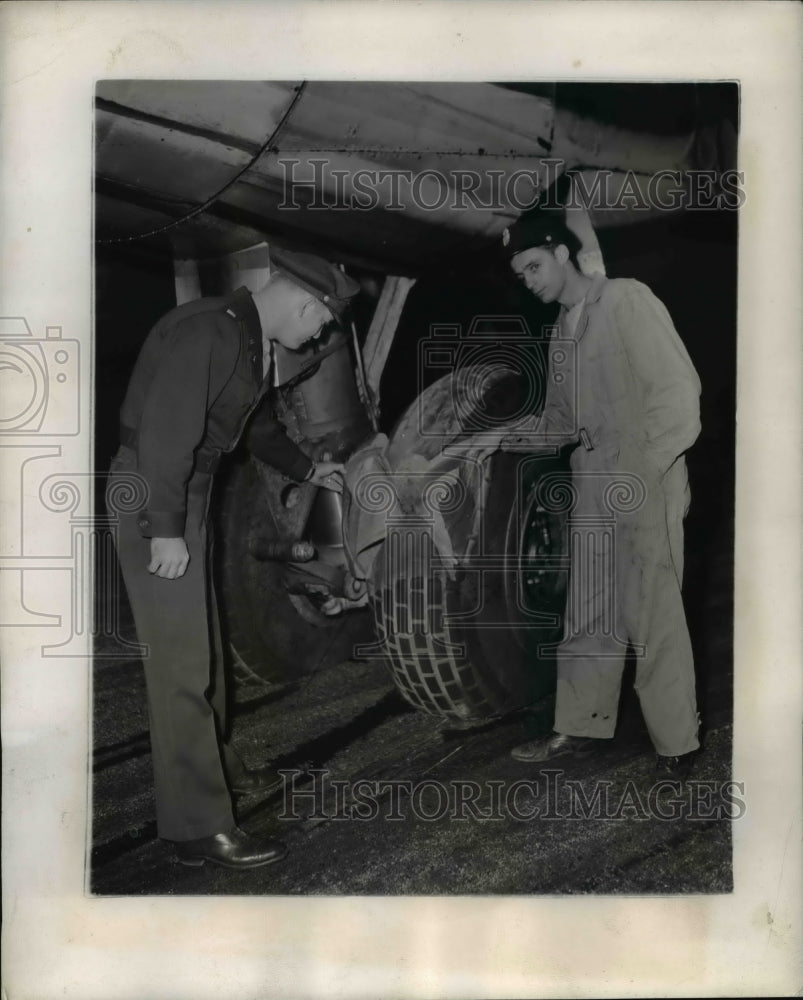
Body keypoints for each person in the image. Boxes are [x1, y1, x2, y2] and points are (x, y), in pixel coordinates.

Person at [107, 249, 359, 868]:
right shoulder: (210, 329)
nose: (318, 337)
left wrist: (308, 468)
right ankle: (197, 825)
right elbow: (168, 432)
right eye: (322, 325)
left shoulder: (243, 335)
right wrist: (165, 530)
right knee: (181, 665)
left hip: (185, 492)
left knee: (209, 652)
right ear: (305, 302)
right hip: (154, 493)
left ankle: (217, 770)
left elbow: (251, 428)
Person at [500, 213, 702, 777]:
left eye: (535, 266)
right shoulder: (560, 331)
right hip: (590, 478)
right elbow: (562, 420)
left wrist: (646, 469)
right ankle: (579, 727)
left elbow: (679, 393)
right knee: (588, 610)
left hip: (641, 473)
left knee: (652, 611)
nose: (530, 280)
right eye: (521, 275)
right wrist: (502, 438)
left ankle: (677, 743)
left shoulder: (627, 301)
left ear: (562, 254)